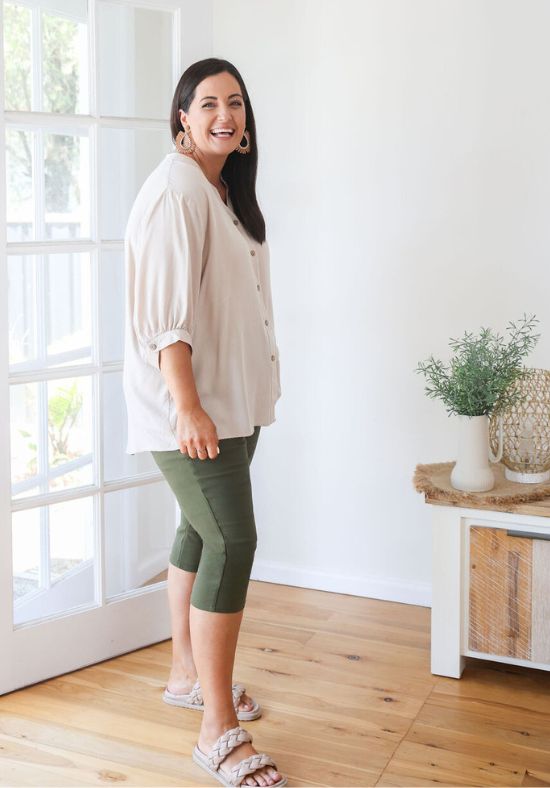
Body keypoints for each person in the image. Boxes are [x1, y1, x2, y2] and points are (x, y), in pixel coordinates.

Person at [122, 58, 285, 787]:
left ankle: (187, 674)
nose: (226, 114)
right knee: (232, 539)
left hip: (232, 402)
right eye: (209, 103)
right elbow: (167, 320)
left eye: (236, 103)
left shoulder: (221, 191)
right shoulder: (177, 188)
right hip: (194, 406)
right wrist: (186, 404)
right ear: (181, 117)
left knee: (197, 531)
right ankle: (215, 728)